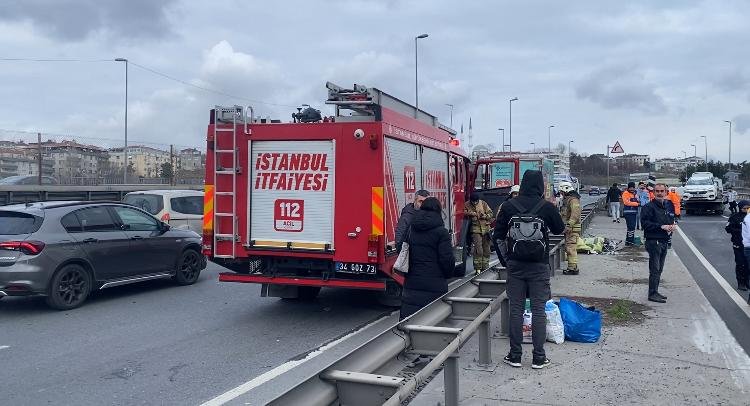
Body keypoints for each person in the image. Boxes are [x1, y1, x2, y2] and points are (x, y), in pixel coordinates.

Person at [493, 170, 565, 369]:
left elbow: (497, 236)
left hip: (515, 266)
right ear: (540, 186)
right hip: (539, 266)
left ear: (523, 184)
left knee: (516, 310)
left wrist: (506, 261)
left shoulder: (508, 206)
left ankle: (515, 356)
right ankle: (539, 357)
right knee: (538, 311)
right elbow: (560, 229)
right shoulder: (547, 207)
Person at [399, 197, 456, 320]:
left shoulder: (411, 228)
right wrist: (446, 275)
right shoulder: (442, 232)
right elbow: (447, 260)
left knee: (409, 324)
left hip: (412, 283)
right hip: (435, 284)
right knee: (433, 323)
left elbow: (401, 247)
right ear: (438, 211)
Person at [640, 183, 676, 303]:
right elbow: (645, 224)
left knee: (659, 269)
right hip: (653, 241)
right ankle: (652, 293)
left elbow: (670, 219)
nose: (660, 193)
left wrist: (672, 226)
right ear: (654, 193)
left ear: (666, 192)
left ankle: (655, 291)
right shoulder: (648, 207)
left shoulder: (667, 205)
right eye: (657, 191)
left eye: (662, 191)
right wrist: (661, 226)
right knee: (654, 269)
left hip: (664, 240)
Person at [465, 192, 493, 273]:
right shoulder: (466, 204)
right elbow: (461, 211)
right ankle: (477, 268)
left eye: (476, 201)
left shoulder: (483, 203)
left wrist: (485, 216)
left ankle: (485, 267)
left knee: (486, 249)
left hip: (486, 228)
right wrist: (471, 213)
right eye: (473, 201)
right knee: (478, 250)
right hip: (475, 229)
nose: (474, 203)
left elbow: (490, 213)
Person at [726, 200, 750, 291]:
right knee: (740, 264)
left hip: (748, 246)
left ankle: (747, 281)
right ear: (740, 208)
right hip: (738, 245)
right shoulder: (734, 217)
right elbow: (728, 229)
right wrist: (740, 231)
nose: (746, 210)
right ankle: (741, 283)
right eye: (745, 208)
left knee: (748, 265)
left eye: (748, 208)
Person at [559, 181, 582, 275]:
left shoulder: (573, 200)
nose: (561, 194)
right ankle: (572, 266)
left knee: (570, 248)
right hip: (569, 228)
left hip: (572, 229)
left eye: (561, 192)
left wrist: (569, 225)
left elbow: (575, 214)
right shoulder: (569, 200)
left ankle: (572, 268)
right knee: (569, 247)